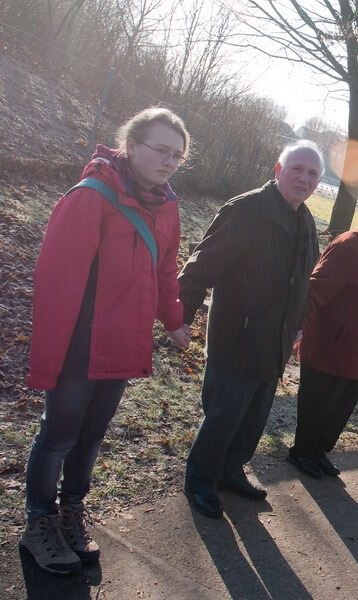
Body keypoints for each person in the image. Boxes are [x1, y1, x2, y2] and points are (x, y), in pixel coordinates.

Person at [22, 108, 191, 575]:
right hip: (80, 348)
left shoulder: (166, 206)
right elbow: (56, 282)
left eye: (177, 156)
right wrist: (45, 360)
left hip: (124, 346)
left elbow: (164, 273)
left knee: (91, 438)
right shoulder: (90, 197)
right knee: (59, 437)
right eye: (161, 150)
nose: (169, 161)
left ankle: (71, 512)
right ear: (131, 145)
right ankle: (39, 522)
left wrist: (174, 320)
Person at [179, 141, 322, 518]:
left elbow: (303, 282)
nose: (303, 178)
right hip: (237, 337)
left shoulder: (305, 222)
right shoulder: (246, 210)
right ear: (278, 169)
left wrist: (298, 326)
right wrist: (181, 313)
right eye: (297, 169)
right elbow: (201, 265)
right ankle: (200, 479)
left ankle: (230, 471)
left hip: (275, 342)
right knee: (223, 415)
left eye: (312, 174)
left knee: (252, 418)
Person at [288, 197, 358, 478]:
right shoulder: (348, 246)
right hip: (330, 345)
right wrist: (296, 324)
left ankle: (319, 452)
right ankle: (302, 452)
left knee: (340, 409)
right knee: (317, 405)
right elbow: (316, 288)